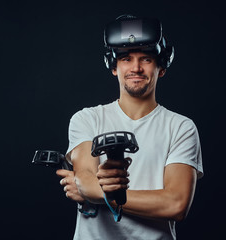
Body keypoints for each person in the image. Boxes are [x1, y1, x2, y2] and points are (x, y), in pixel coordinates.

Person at [56, 14, 203, 240]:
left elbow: (176, 204)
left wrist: (100, 195)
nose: (136, 67)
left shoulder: (181, 127)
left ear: (161, 68)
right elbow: (85, 178)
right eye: (126, 58)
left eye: (146, 59)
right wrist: (88, 186)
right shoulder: (86, 119)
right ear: (113, 67)